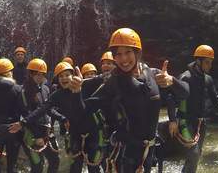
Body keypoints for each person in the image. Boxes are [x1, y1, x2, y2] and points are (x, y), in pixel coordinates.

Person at [76, 28, 190, 173]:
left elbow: (185, 93)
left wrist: (172, 81)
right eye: (118, 54)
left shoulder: (154, 75)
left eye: (128, 52)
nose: (123, 59)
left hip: (149, 150)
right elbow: (86, 109)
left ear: (137, 52)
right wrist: (75, 93)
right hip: (125, 153)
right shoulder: (113, 81)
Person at [10, 61, 103, 173]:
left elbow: (103, 78)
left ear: (73, 75)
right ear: (58, 79)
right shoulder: (57, 95)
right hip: (75, 135)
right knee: (75, 168)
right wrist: (22, 123)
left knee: (94, 167)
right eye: (61, 76)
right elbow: (42, 109)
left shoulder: (85, 85)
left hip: (92, 134)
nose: (64, 78)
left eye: (67, 75)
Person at [172, 45, 218, 173]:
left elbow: (216, 98)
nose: (210, 66)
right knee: (194, 153)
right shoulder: (185, 77)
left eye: (211, 62)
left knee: (196, 154)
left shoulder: (208, 79)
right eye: (207, 62)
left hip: (200, 123)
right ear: (198, 61)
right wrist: (172, 120)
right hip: (184, 122)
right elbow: (172, 98)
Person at [17, 58, 61, 173]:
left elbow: (48, 109)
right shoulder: (23, 92)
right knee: (38, 165)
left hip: (46, 130)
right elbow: (26, 115)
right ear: (29, 74)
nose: (38, 76)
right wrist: (37, 136)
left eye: (41, 74)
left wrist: (62, 118)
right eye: (35, 73)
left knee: (55, 160)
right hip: (32, 132)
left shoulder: (45, 88)